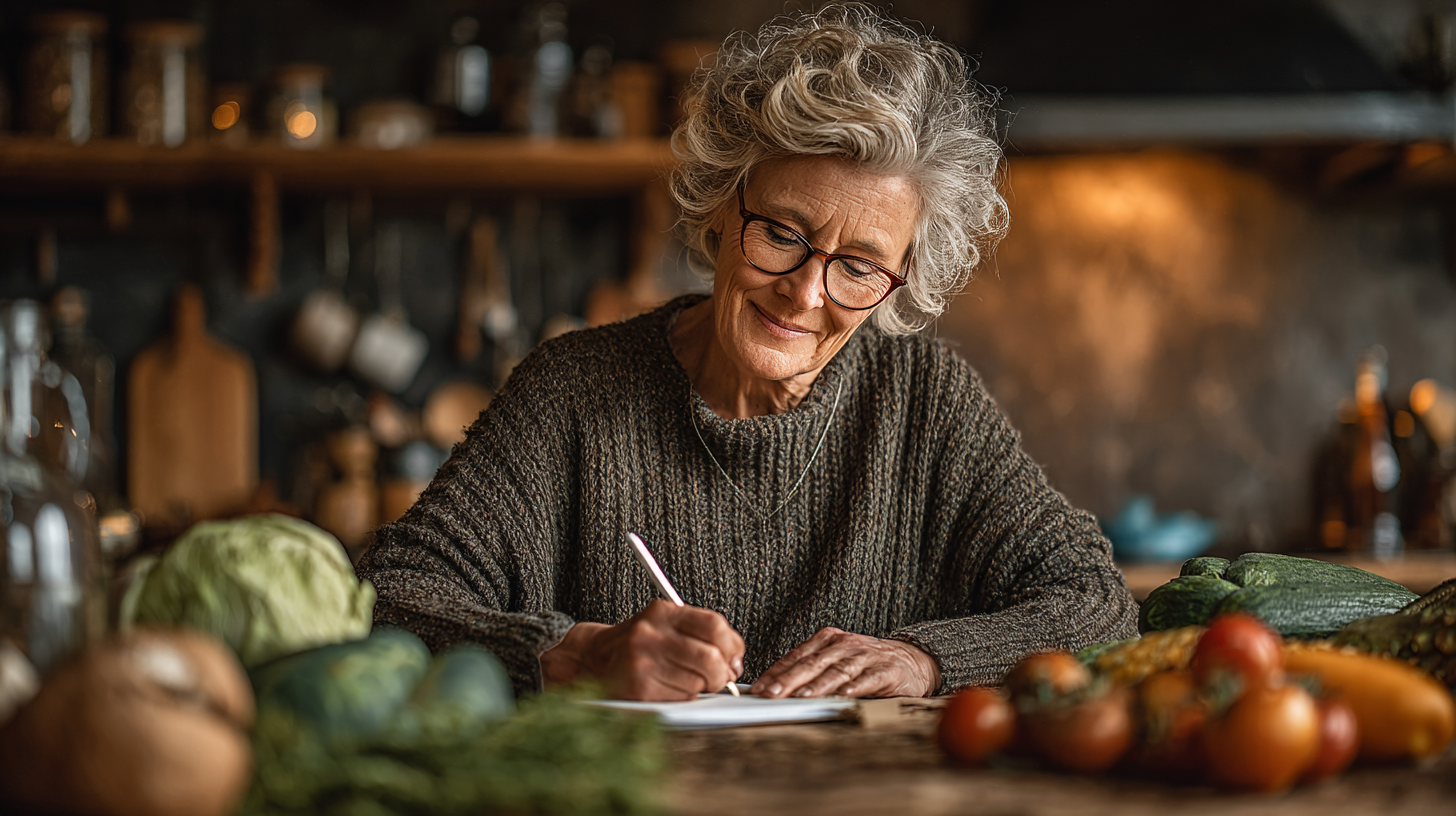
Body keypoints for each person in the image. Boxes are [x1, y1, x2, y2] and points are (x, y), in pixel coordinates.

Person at [357, 4, 1138, 702]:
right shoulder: (574, 391)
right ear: (721, 207)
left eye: (858, 266)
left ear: (901, 280)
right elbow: (387, 597)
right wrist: (573, 655)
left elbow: (1096, 603)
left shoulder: (926, 399)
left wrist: (924, 660)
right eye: (783, 234)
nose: (804, 294)